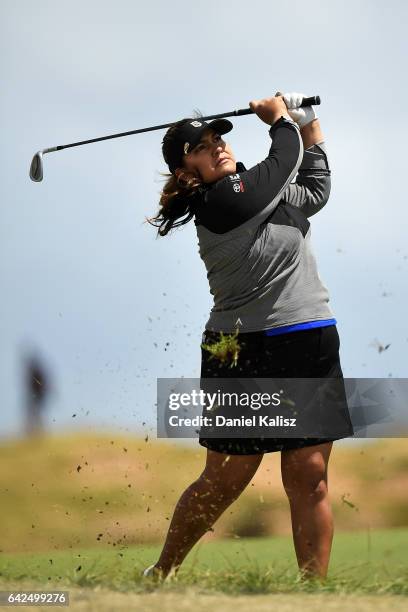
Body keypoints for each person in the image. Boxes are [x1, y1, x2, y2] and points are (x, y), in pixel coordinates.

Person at [145, 92, 354, 582]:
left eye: (218, 138)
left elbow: (314, 189)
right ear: (185, 170)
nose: (217, 147)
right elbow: (282, 165)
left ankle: (313, 593)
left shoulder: (259, 189)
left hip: (307, 336)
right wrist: (281, 122)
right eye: (202, 145)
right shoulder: (217, 201)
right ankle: (162, 572)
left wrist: (310, 125)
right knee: (225, 480)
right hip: (240, 351)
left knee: (309, 476)